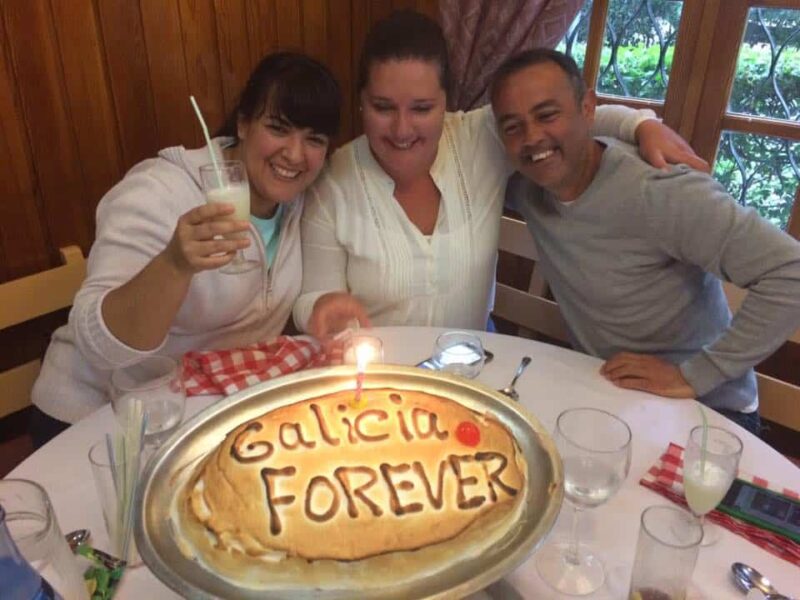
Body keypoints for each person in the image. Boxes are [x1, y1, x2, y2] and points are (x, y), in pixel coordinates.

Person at [293, 9, 708, 340]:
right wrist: (321, 307)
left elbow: (569, 116)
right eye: (383, 107)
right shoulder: (333, 181)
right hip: (379, 382)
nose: (402, 130)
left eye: (422, 108)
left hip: (472, 366)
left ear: (446, 104)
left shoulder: (475, 136)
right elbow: (312, 297)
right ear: (361, 102)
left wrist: (641, 124)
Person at [30, 52, 341, 441]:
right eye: (278, 128)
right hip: (96, 417)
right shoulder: (158, 192)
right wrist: (175, 264)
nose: (295, 154)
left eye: (314, 139)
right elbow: (100, 348)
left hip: (198, 415)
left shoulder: (304, 201)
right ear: (243, 123)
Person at [491, 48, 800, 434]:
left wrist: (694, 375)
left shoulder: (659, 190)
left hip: (709, 411)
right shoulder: (528, 187)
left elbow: (791, 272)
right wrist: (637, 122)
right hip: (612, 394)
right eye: (513, 127)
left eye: (547, 115)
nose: (533, 137)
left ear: (587, 108)